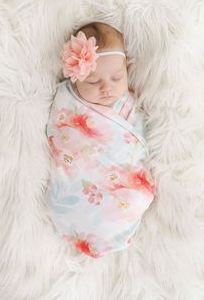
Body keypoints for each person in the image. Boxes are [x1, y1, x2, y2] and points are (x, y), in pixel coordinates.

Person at [46, 22, 155, 258]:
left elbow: (139, 138)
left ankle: (111, 225)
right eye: (94, 82)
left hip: (117, 179)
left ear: (127, 69)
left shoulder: (129, 104)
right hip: (76, 182)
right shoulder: (68, 102)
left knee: (135, 196)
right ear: (75, 80)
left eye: (117, 78)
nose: (107, 88)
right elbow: (63, 138)